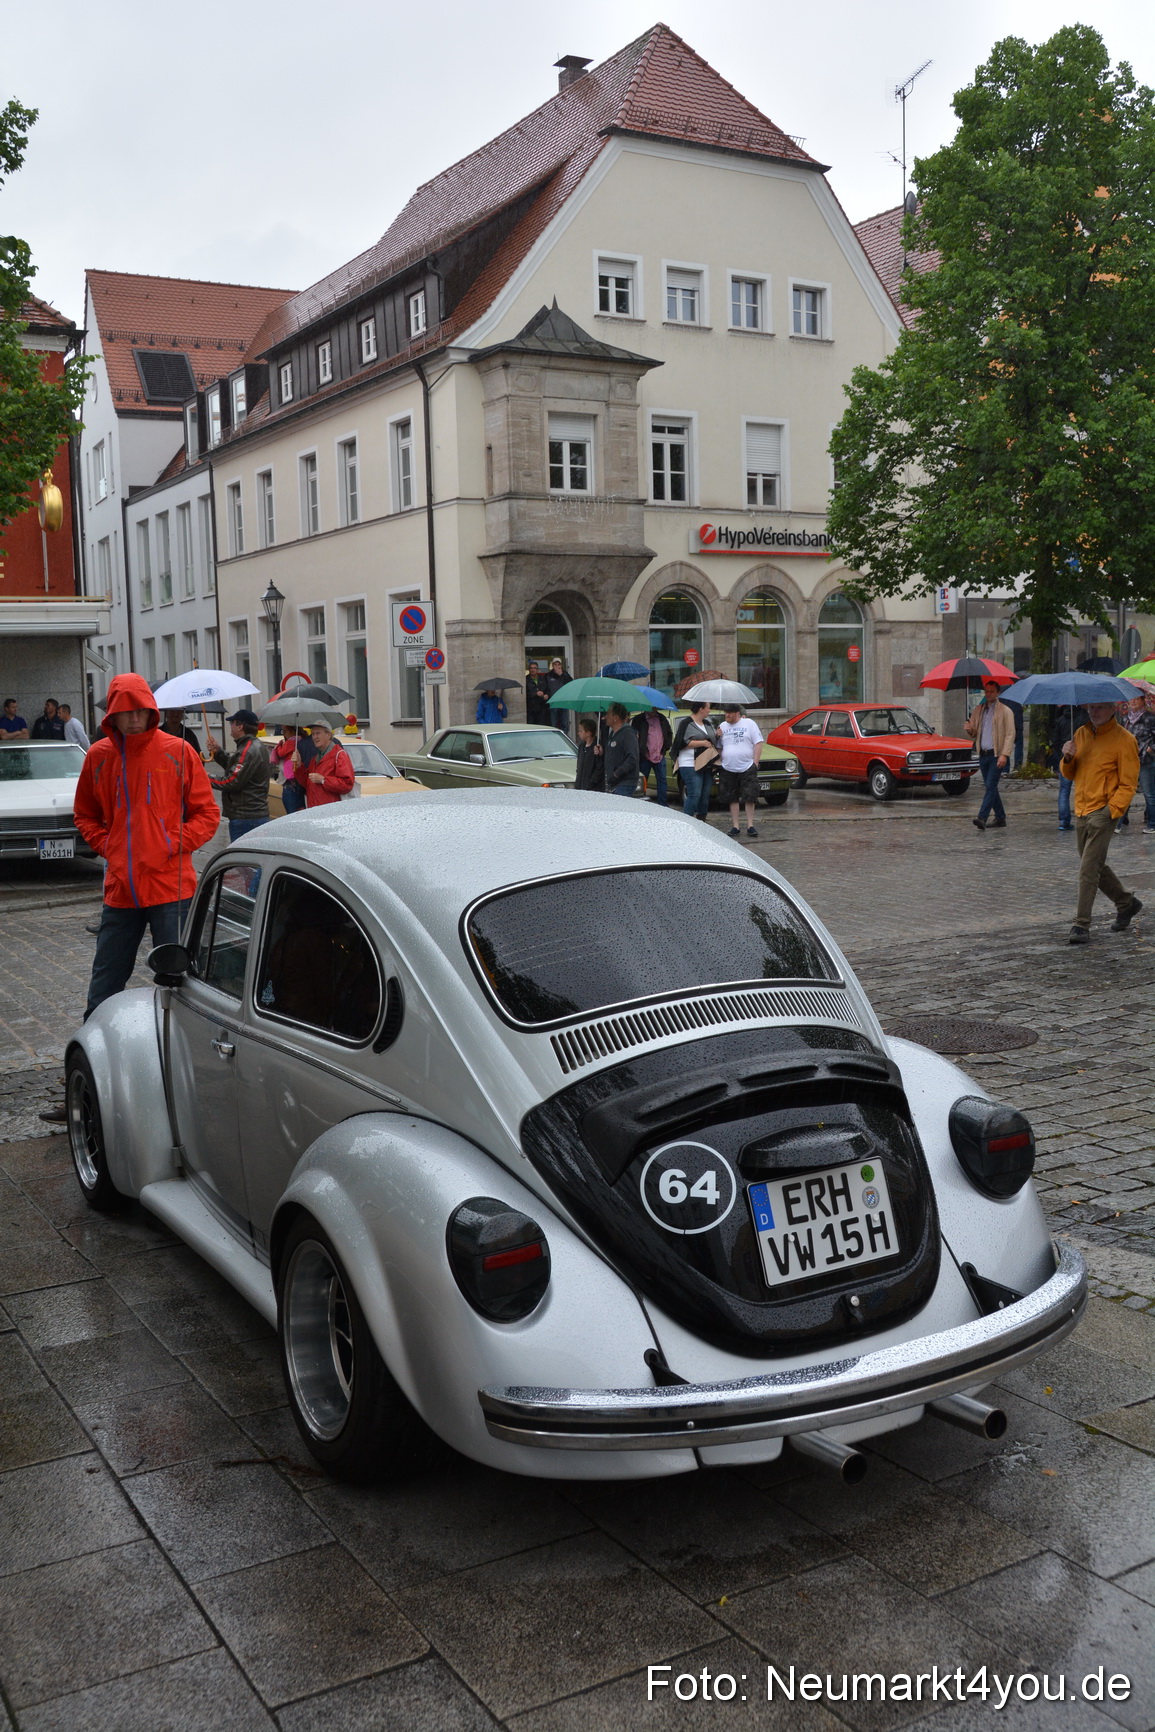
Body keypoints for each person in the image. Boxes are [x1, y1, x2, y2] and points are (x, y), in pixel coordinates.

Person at [72, 672, 220, 1018]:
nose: (135, 718)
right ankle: (92, 1043)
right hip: (121, 890)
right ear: (113, 716)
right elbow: (84, 814)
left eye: (141, 710)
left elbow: (207, 814)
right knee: (106, 979)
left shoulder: (178, 751)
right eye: (126, 712)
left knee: (179, 980)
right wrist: (109, 846)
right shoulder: (98, 756)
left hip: (171, 888)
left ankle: (183, 1042)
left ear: (152, 711)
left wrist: (170, 842)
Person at [1060, 701, 1141, 943]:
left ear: (1112, 709)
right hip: (1082, 809)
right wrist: (1067, 758)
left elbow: (1129, 784)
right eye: (1091, 708)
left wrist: (1110, 812)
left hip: (1104, 811)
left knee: (1088, 869)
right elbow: (1070, 774)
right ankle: (1126, 903)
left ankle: (1081, 924)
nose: (1094, 712)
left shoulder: (1124, 740)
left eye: (1100, 708)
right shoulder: (1081, 733)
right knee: (1094, 864)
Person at [212, 708, 271, 841]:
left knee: (243, 854)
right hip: (252, 816)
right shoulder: (251, 746)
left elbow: (232, 781)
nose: (230, 726)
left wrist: (206, 777)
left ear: (240, 726)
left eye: (232, 723)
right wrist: (218, 752)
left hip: (246, 818)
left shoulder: (248, 749)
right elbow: (235, 767)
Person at [965, 678, 1015, 831]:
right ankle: (1000, 817)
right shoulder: (979, 710)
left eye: (992, 691)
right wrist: (969, 729)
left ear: (998, 693)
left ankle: (982, 817)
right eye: (986, 691)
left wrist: (1004, 754)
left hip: (996, 754)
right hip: (983, 754)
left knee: (991, 786)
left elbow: (1010, 734)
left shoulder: (1005, 711)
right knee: (990, 786)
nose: (988, 694)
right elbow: (975, 732)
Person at [717, 703, 764, 837]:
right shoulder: (722, 726)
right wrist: (717, 738)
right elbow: (719, 747)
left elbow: (758, 743)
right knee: (732, 797)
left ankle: (750, 825)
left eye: (729, 713)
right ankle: (735, 825)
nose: (727, 715)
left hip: (747, 766)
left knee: (750, 796)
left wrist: (755, 763)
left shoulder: (749, 724)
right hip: (728, 767)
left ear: (737, 713)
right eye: (725, 713)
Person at [671, 701, 718, 820]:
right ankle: (687, 821)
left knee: (705, 794)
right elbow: (680, 743)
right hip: (689, 763)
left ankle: (701, 820)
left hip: (705, 763)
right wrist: (701, 743)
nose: (709, 710)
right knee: (694, 793)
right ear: (701, 709)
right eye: (708, 708)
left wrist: (717, 735)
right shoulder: (686, 723)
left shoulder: (707, 723)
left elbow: (711, 740)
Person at [298, 721, 355, 807]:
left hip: (331, 810)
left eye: (318, 733)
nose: (315, 737)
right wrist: (299, 766)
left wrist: (323, 780)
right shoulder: (315, 759)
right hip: (315, 809)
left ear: (328, 735)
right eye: (313, 734)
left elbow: (347, 784)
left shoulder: (339, 755)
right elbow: (307, 783)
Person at [1122, 691, 1155, 834]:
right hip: (1129, 760)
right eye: (1131, 698)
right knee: (1125, 790)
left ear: (1143, 701)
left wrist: (1151, 749)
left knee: (1148, 793)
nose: (1133, 701)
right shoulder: (1125, 719)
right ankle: (1121, 820)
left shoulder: (1150, 718)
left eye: (1136, 698)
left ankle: (1152, 823)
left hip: (1145, 760)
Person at [632, 707, 672, 805]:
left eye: (655, 708)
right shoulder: (639, 719)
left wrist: (665, 748)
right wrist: (642, 750)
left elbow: (669, 733)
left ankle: (662, 804)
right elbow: (634, 736)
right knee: (642, 780)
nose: (654, 710)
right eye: (651, 708)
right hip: (645, 756)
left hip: (659, 755)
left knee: (662, 780)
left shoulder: (662, 718)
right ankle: (640, 803)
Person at [603, 703, 640, 796]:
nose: (605, 717)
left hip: (625, 782)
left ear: (615, 717)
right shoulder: (612, 734)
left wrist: (617, 774)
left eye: (608, 714)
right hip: (614, 783)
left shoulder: (628, 734)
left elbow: (632, 758)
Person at [574, 714, 605, 791]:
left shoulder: (597, 746)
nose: (579, 733)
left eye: (581, 731)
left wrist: (591, 783)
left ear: (588, 733)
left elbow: (599, 768)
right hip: (581, 786)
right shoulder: (581, 746)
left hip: (593, 787)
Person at [544, 657, 570, 733]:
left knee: (564, 723)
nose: (557, 666)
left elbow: (571, 683)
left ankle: (564, 737)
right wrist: (546, 694)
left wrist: (561, 675)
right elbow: (545, 688)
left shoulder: (565, 674)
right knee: (553, 723)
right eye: (555, 664)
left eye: (559, 664)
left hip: (563, 702)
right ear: (552, 665)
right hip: (553, 702)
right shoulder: (548, 675)